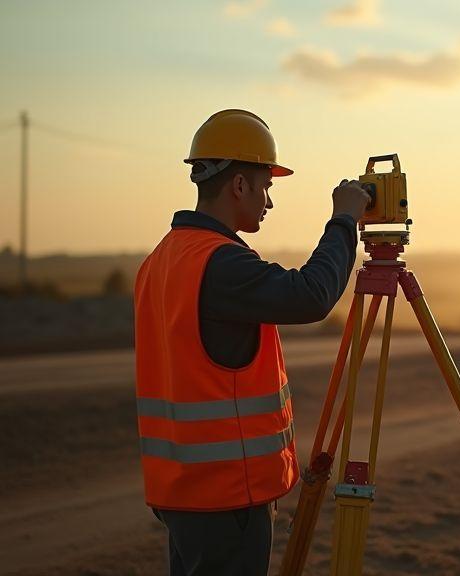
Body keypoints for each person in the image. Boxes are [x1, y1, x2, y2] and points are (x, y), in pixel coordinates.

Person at [134, 109, 370, 575]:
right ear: (239, 185)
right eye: (266, 187)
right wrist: (343, 220)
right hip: (226, 497)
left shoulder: (162, 258)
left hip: (183, 489)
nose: (269, 201)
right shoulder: (219, 264)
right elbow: (310, 296)